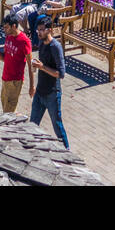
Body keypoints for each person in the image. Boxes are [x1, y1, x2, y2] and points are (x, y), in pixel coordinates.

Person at [30, 18, 69, 148]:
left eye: (42, 30)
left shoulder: (56, 47)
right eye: (38, 30)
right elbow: (42, 64)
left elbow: (61, 74)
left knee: (57, 126)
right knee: (32, 126)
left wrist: (42, 67)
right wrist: (37, 66)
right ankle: (30, 149)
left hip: (52, 93)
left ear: (49, 30)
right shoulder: (41, 43)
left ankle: (67, 151)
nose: (39, 33)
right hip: (40, 92)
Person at [0, 16, 34, 113]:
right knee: (6, 110)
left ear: (14, 26)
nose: (4, 29)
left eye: (6, 27)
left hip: (15, 82)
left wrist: (32, 86)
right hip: (5, 79)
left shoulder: (24, 41)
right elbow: (5, 58)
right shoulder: (8, 36)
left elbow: (31, 65)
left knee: (8, 114)